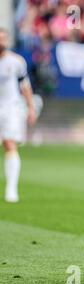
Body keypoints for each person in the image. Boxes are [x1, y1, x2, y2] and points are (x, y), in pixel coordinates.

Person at [0, 28, 36, 203]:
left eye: (3, 39)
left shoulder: (16, 61)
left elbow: (25, 85)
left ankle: (11, 189)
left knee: (9, 143)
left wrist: (31, 107)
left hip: (11, 107)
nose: (2, 42)